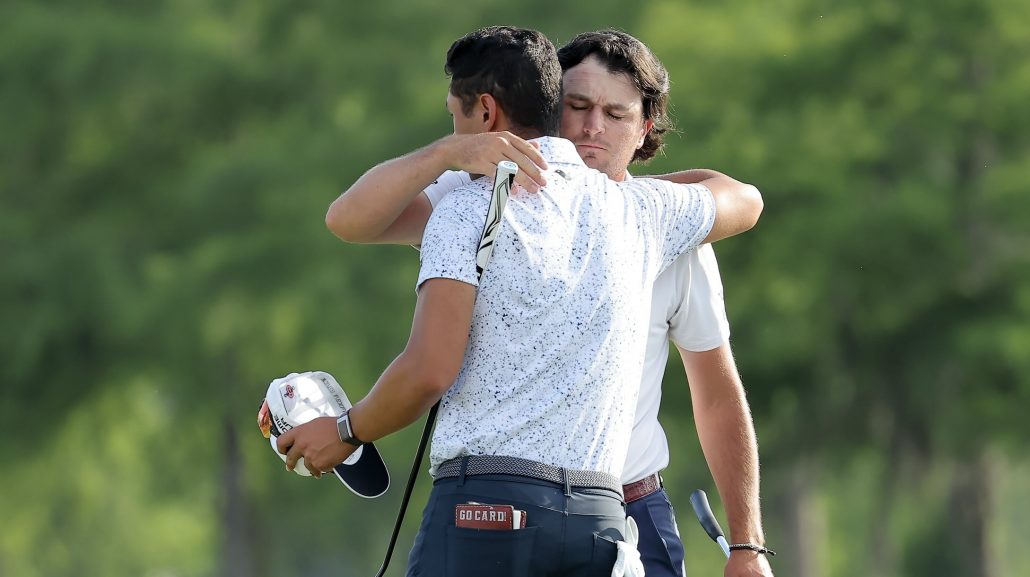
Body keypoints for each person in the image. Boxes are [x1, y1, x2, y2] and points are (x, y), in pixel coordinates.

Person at [265, 25, 762, 575]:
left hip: (554, 509)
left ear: (644, 129)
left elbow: (430, 369)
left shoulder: (639, 217)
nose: (593, 127)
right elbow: (349, 219)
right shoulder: (645, 217)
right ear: (553, 104)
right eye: (577, 105)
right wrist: (454, 154)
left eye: (615, 114)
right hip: (596, 520)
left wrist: (345, 433)